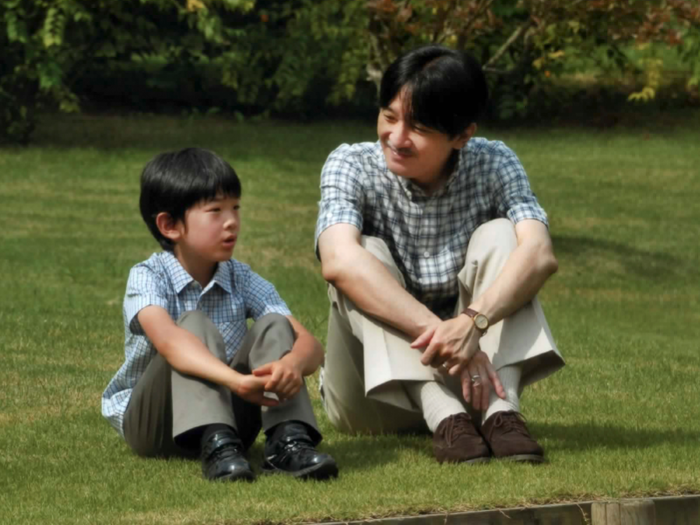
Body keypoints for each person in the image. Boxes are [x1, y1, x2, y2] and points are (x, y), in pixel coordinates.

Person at [314, 44, 565, 464]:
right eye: (389, 117)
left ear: (463, 135)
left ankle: (502, 413)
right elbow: (338, 260)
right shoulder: (350, 164)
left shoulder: (494, 162)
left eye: (418, 128)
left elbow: (540, 254)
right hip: (371, 399)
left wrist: (475, 320)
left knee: (507, 236)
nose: (396, 138)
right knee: (363, 253)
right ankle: (442, 415)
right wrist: (452, 333)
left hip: (476, 386)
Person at [102, 147, 338, 481]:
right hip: (154, 426)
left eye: (235, 208)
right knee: (193, 324)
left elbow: (310, 345)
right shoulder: (147, 276)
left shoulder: (241, 277)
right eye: (215, 211)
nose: (231, 222)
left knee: (275, 324)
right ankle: (216, 444)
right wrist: (238, 382)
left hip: (233, 422)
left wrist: (292, 365)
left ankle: (288, 442)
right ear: (170, 225)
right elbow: (170, 343)